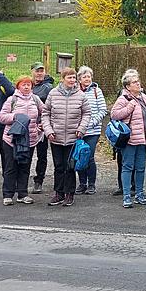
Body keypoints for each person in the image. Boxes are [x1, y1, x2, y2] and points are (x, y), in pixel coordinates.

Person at [42, 67, 89, 207]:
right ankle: (58, 193)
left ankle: (70, 194)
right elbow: (45, 113)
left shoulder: (81, 95)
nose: (72, 80)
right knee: (58, 166)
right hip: (55, 137)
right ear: (62, 79)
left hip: (73, 138)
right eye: (69, 77)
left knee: (70, 167)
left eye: (74, 78)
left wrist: (81, 129)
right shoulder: (53, 93)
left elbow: (87, 113)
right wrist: (48, 130)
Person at [0, 75, 46, 205]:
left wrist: (41, 125)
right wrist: (15, 117)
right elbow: (1, 117)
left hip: (30, 139)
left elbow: (45, 112)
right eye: (23, 84)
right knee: (11, 167)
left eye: (28, 84)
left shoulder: (35, 99)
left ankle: (22, 194)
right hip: (12, 139)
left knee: (25, 166)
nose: (26, 87)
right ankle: (8, 194)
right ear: (18, 86)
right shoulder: (11, 99)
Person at [112, 69, 146, 208]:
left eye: (138, 81)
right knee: (128, 167)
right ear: (127, 86)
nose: (138, 84)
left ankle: (140, 193)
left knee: (141, 168)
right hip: (129, 140)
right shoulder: (124, 99)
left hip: (142, 139)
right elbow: (114, 115)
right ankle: (127, 196)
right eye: (134, 82)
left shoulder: (144, 98)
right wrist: (129, 107)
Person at [75, 66, 108, 195]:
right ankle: (82, 183)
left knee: (89, 156)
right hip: (78, 131)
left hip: (93, 131)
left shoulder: (96, 91)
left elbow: (103, 110)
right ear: (79, 79)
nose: (87, 79)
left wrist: (92, 123)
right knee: (79, 155)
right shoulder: (75, 91)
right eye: (84, 77)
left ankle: (91, 184)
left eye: (89, 76)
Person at [30, 62, 55, 194]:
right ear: (32, 72)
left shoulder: (48, 88)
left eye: (42, 71)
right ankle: (20, 180)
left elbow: (52, 107)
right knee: (25, 154)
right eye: (37, 71)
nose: (39, 73)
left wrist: (46, 124)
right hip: (28, 127)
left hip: (42, 126)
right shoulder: (27, 85)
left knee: (42, 154)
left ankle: (39, 181)